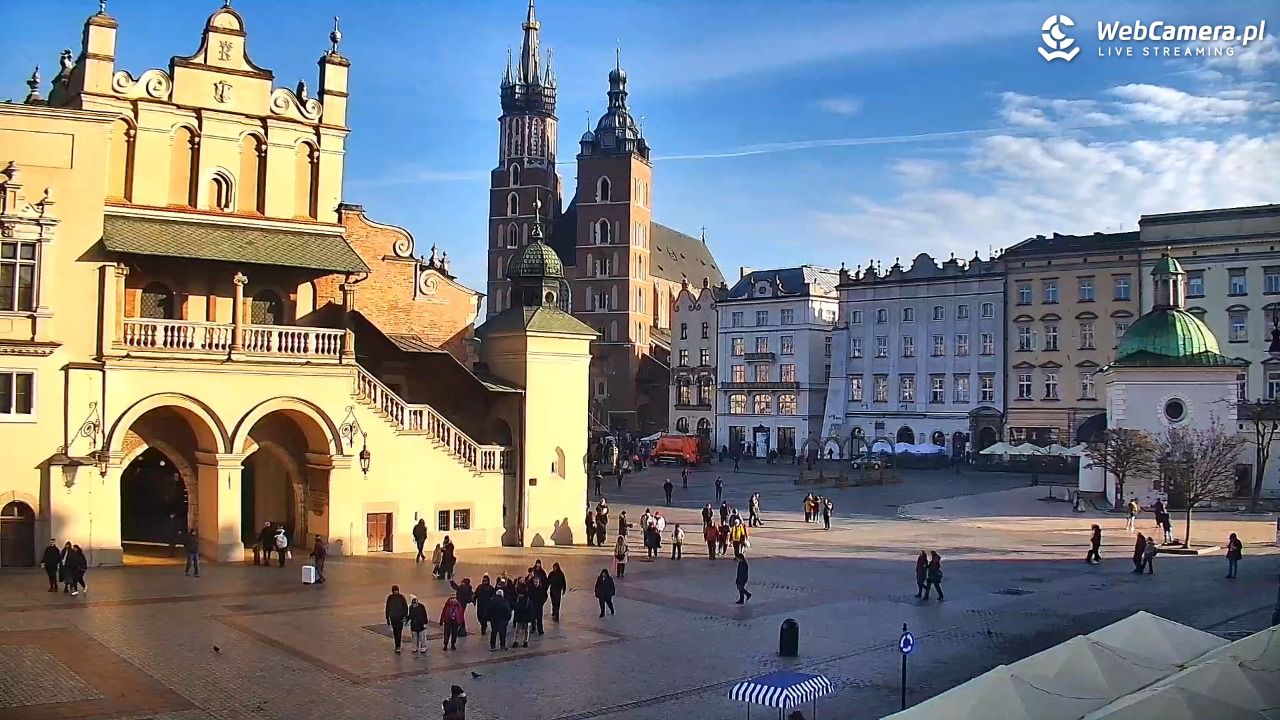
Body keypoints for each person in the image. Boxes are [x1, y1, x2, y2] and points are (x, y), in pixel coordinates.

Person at [385, 585, 409, 653]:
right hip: (393, 618)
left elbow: (405, 607)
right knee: (395, 632)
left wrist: (406, 616)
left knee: (399, 632)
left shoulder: (401, 597)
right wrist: (387, 618)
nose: (396, 592)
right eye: (395, 590)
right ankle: (397, 645)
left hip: (400, 617)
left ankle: (398, 646)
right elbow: (387, 608)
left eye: (396, 590)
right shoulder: (390, 598)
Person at [511, 581, 532, 649]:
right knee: (526, 630)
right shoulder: (528, 599)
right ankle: (525, 641)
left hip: (520, 616)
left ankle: (516, 641)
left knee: (518, 629)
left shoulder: (519, 599)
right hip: (525, 617)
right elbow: (530, 609)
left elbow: (516, 607)